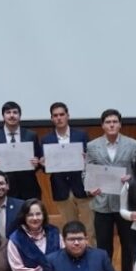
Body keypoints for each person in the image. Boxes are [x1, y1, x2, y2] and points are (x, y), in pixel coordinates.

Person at [87, 109, 136, 271]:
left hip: (125, 203)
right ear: (102, 125)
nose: (111, 125)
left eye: (115, 121)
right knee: (103, 246)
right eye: (108, 122)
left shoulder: (133, 144)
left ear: (120, 124)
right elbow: (86, 172)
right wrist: (90, 188)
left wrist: (131, 178)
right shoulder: (92, 146)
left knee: (128, 244)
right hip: (102, 202)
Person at [41, 102, 92, 241]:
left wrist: (87, 158)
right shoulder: (46, 139)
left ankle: (92, 258)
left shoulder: (81, 135)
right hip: (61, 188)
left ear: (68, 116)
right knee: (69, 228)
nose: (59, 118)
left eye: (62, 114)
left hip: (82, 187)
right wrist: (43, 164)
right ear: (51, 118)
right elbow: (45, 169)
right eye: (55, 115)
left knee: (90, 228)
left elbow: (91, 160)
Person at [0, 101, 42, 201]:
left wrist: (37, 163)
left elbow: (39, 160)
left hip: (29, 188)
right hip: (4, 190)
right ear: (3, 116)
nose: (12, 115)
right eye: (8, 112)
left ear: (19, 116)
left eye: (15, 112)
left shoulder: (31, 135)